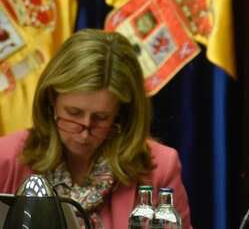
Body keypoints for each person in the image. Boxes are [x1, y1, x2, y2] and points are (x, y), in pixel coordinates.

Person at [0, 29, 192, 228]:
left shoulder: (160, 168)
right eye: (73, 113)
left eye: (101, 118)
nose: (84, 133)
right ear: (51, 99)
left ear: (121, 113)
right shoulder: (5, 158)